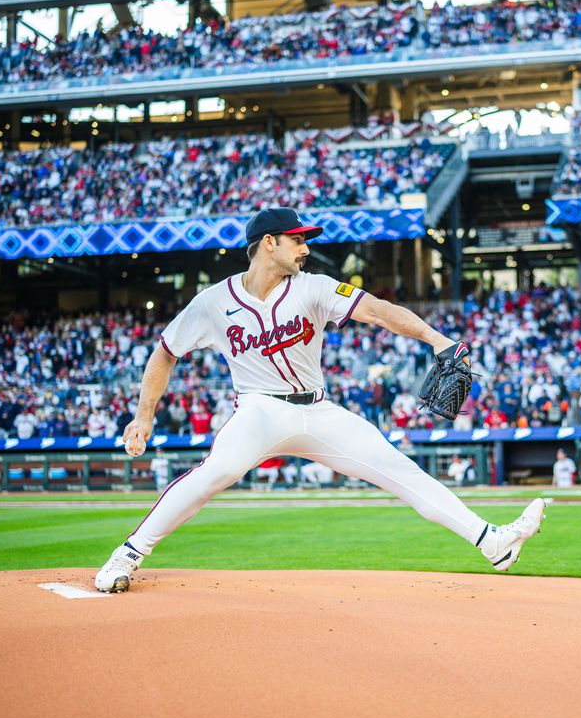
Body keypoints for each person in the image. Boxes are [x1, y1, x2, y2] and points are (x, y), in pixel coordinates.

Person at [95, 207, 550, 592]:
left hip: (318, 410)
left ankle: (492, 542)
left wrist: (435, 338)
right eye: (297, 240)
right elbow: (165, 351)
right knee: (221, 469)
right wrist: (143, 415)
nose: (306, 248)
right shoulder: (214, 302)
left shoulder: (313, 286)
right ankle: (128, 554)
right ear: (268, 243)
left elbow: (378, 310)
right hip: (259, 410)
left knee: (397, 467)